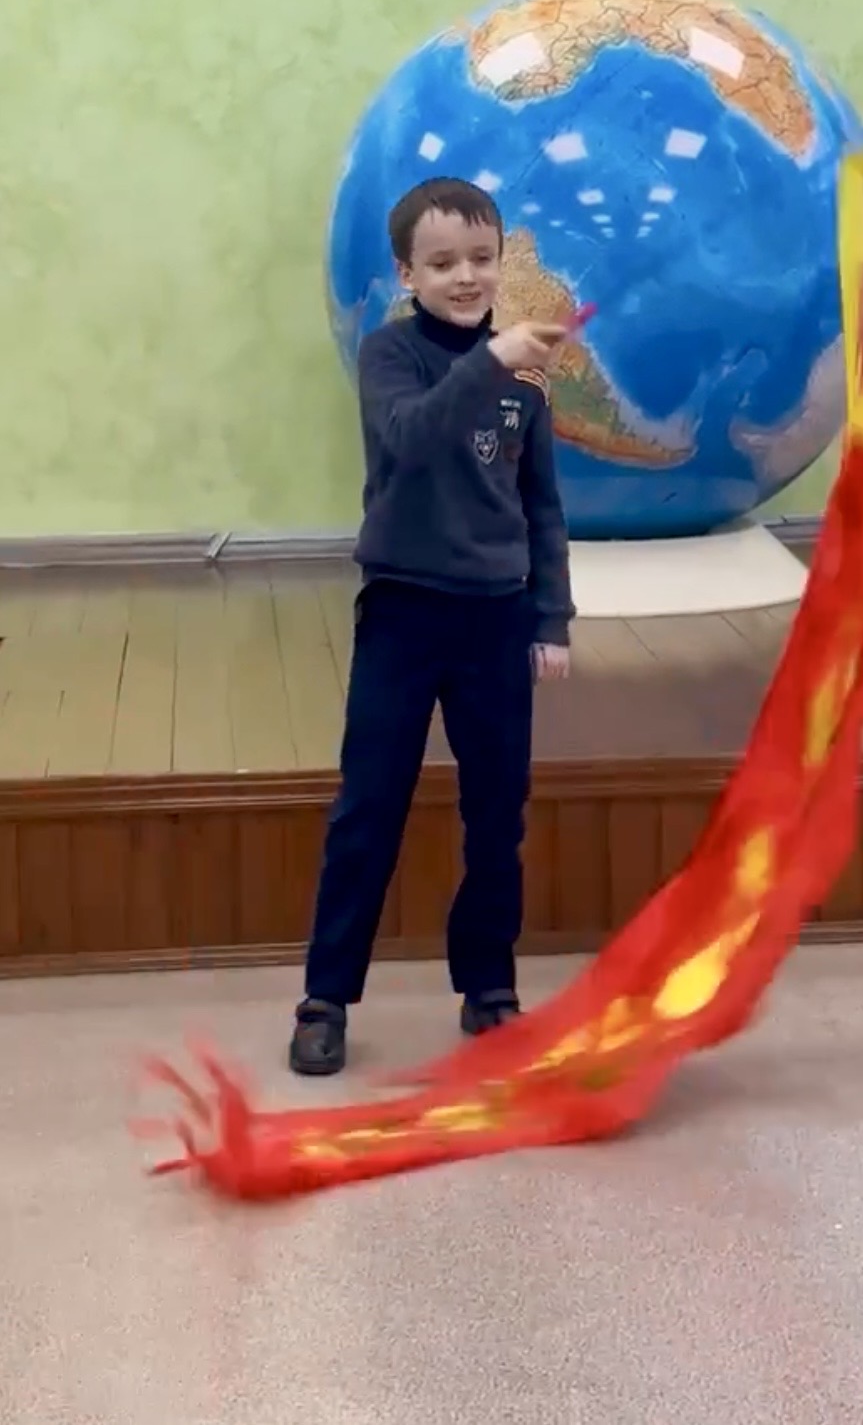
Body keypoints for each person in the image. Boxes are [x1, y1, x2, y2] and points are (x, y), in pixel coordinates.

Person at [289, 177, 575, 1075]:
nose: (465, 277)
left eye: (481, 259)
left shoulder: (522, 380)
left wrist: (551, 617)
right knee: (368, 808)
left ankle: (488, 987)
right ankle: (325, 997)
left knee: (496, 815)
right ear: (407, 273)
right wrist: (489, 363)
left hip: (495, 619)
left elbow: (542, 509)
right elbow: (408, 437)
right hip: (404, 612)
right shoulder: (390, 355)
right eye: (443, 262)